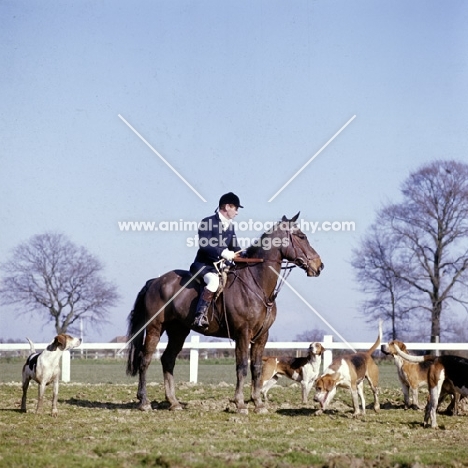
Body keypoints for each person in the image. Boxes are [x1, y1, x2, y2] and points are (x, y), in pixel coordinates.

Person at [190, 192, 243, 331]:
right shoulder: (208, 222)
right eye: (235, 208)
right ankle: (200, 315)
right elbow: (204, 244)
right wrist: (223, 252)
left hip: (220, 268)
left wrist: (246, 256)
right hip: (203, 266)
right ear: (227, 207)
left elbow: (236, 249)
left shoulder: (230, 227)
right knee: (213, 282)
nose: (237, 212)